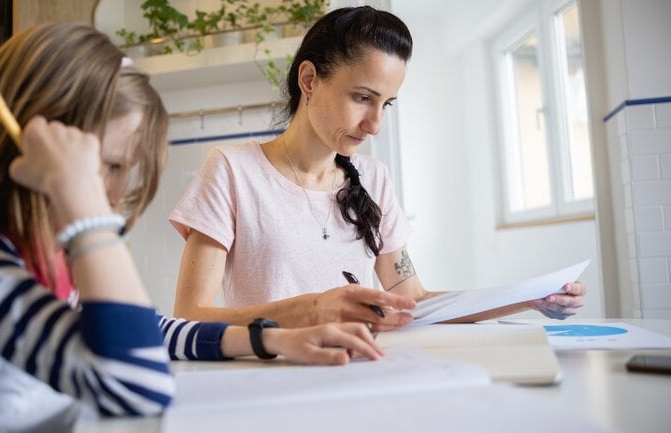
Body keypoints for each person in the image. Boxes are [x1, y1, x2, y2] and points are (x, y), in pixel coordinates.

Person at [0, 22, 384, 433]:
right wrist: (85, 216)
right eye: (106, 166)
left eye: (120, 171)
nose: (110, 194)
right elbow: (135, 383)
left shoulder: (38, 242)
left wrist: (269, 339)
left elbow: (138, 329)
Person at [169, 6, 587, 330]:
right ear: (310, 79)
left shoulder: (373, 179)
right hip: (274, 382)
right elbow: (190, 316)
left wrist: (528, 299)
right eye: (362, 98)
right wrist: (315, 309)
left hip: (365, 373)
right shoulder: (231, 170)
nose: (375, 125)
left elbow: (414, 301)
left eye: (385, 104)